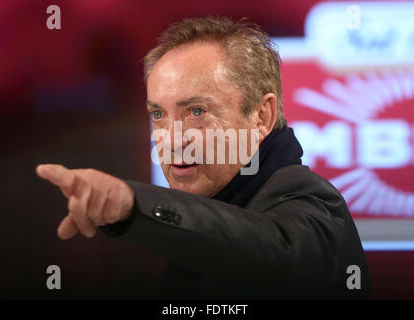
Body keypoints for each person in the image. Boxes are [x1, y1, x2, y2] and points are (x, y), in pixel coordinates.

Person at [36, 16, 370, 299]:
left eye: (197, 111)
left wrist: (133, 203)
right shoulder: (217, 205)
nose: (171, 139)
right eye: (158, 114)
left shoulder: (309, 199)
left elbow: (276, 253)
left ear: (262, 116)